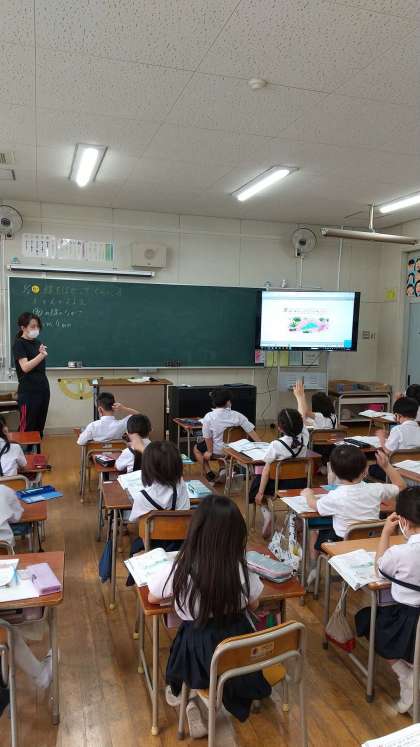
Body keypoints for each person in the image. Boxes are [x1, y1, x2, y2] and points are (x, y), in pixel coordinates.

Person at [148, 495, 270, 739]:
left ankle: (191, 697)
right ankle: (200, 698)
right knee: (217, 659)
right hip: (238, 655)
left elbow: (152, 597)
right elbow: (254, 603)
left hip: (198, 651)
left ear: (196, 532)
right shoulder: (241, 568)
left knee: (180, 663)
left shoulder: (182, 568)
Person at [355, 487, 420, 713]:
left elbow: (379, 568)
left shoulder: (400, 553)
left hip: (407, 620)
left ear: (403, 521)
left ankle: (405, 675)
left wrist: (385, 533)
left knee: (367, 620)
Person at [0, 484, 52, 691]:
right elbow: (17, 516)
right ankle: (40, 674)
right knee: (5, 627)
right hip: (6, 564)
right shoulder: (4, 491)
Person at [304, 446, 406, 551]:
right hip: (373, 542)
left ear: (333, 471)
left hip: (343, 546)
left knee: (316, 531)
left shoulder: (335, 495)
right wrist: (386, 466)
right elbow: (401, 486)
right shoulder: (376, 489)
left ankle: (314, 561)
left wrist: (308, 494)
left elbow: (314, 505)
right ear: (365, 469)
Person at [251, 408, 309, 538]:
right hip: (300, 484)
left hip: (278, 485)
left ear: (279, 428)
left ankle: (268, 514)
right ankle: (296, 518)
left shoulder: (276, 445)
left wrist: (260, 493)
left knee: (256, 486)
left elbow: (266, 471)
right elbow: (302, 418)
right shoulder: (305, 437)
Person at [193, 388, 258, 483]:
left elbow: (207, 437)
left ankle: (209, 473)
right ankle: (223, 469)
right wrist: (261, 444)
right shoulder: (238, 416)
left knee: (197, 449)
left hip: (218, 450)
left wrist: (209, 451)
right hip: (236, 451)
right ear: (228, 402)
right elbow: (251, 432)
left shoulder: (209, 417)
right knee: (222, 443)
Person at [12, 312, 50, 437]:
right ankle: (22, 449)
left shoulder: (38, 342)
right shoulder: (19, 344)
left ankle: (36, 449)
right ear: (23, 327)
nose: (36, 329)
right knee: (27, 426)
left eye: (37, 326)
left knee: (39, 426)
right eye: (32, 326)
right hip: (28, 392)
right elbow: (25, 367)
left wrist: (40, 354)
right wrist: (41, 355)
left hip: (43, 389)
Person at [369, 397, 420, 481]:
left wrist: (381, 438)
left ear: (398, 415)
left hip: (396, 472)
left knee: (371, 468)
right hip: (414, 471)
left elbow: (388, 451)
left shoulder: (397, 429)